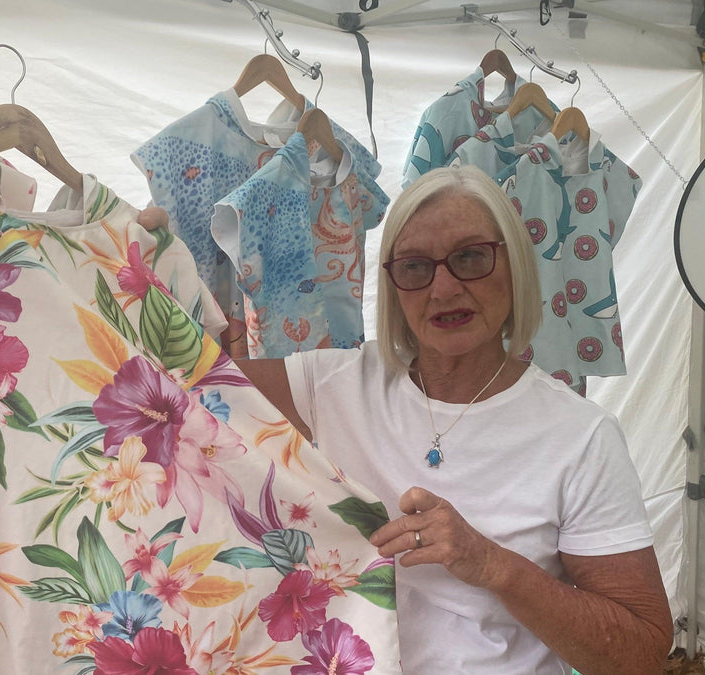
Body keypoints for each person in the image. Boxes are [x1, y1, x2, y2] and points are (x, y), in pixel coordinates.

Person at [235, 165, 672, 674]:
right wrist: (142, 254)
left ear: (515, 266)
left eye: (469, 257)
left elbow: (641, 653)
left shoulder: (580, 437)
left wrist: (492, 566)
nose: (442, 289)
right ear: (394, 283)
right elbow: (167, 376)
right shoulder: (327, 386)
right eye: (415, 267)